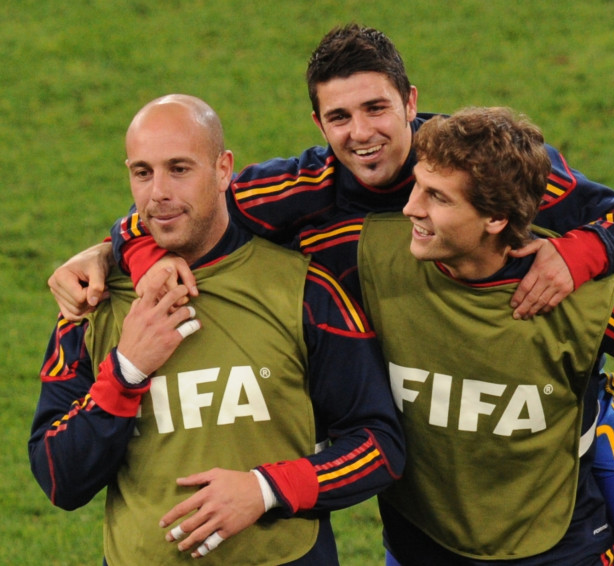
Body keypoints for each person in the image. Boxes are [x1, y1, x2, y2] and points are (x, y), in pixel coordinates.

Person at [46, 24, 614, 560]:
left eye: (376, 108)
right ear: (317, 122)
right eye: (338, 116)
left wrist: (576, 255)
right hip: (432, 444)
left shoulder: (488, 166)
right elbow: (178, 205)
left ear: (411, 102)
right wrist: (120, 252)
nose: (360, 132)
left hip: (554, 420)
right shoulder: (299, 191)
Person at [28, 94, 405, 565]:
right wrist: (126, 372)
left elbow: (379, 447)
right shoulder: (92, 302)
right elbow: (58, 478)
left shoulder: (305, 291)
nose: (157, 193)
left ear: (224, 169)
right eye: (142, 172)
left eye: (179, 169)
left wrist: (264, 489)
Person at [351, 107, 614, 564]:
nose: (410, 208)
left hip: (558, 547)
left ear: (495, 218)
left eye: (437, 197)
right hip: (419, 544)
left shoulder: (582, 302)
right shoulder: (372, 260)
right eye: (417, 184)